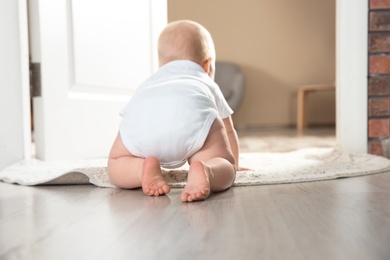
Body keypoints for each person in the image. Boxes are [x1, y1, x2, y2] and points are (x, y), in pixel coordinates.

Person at [107, 20, 240, 202]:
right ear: (207, 65)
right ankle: (207, 170)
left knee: (115, 163)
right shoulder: (205, 80)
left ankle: (141, 169)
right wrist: (233, 163)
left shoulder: (149, 83)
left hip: (144, 127)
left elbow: (130, 112)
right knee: (222, 163)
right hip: (192, 122)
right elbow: (229, 130)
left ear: (162, 63)